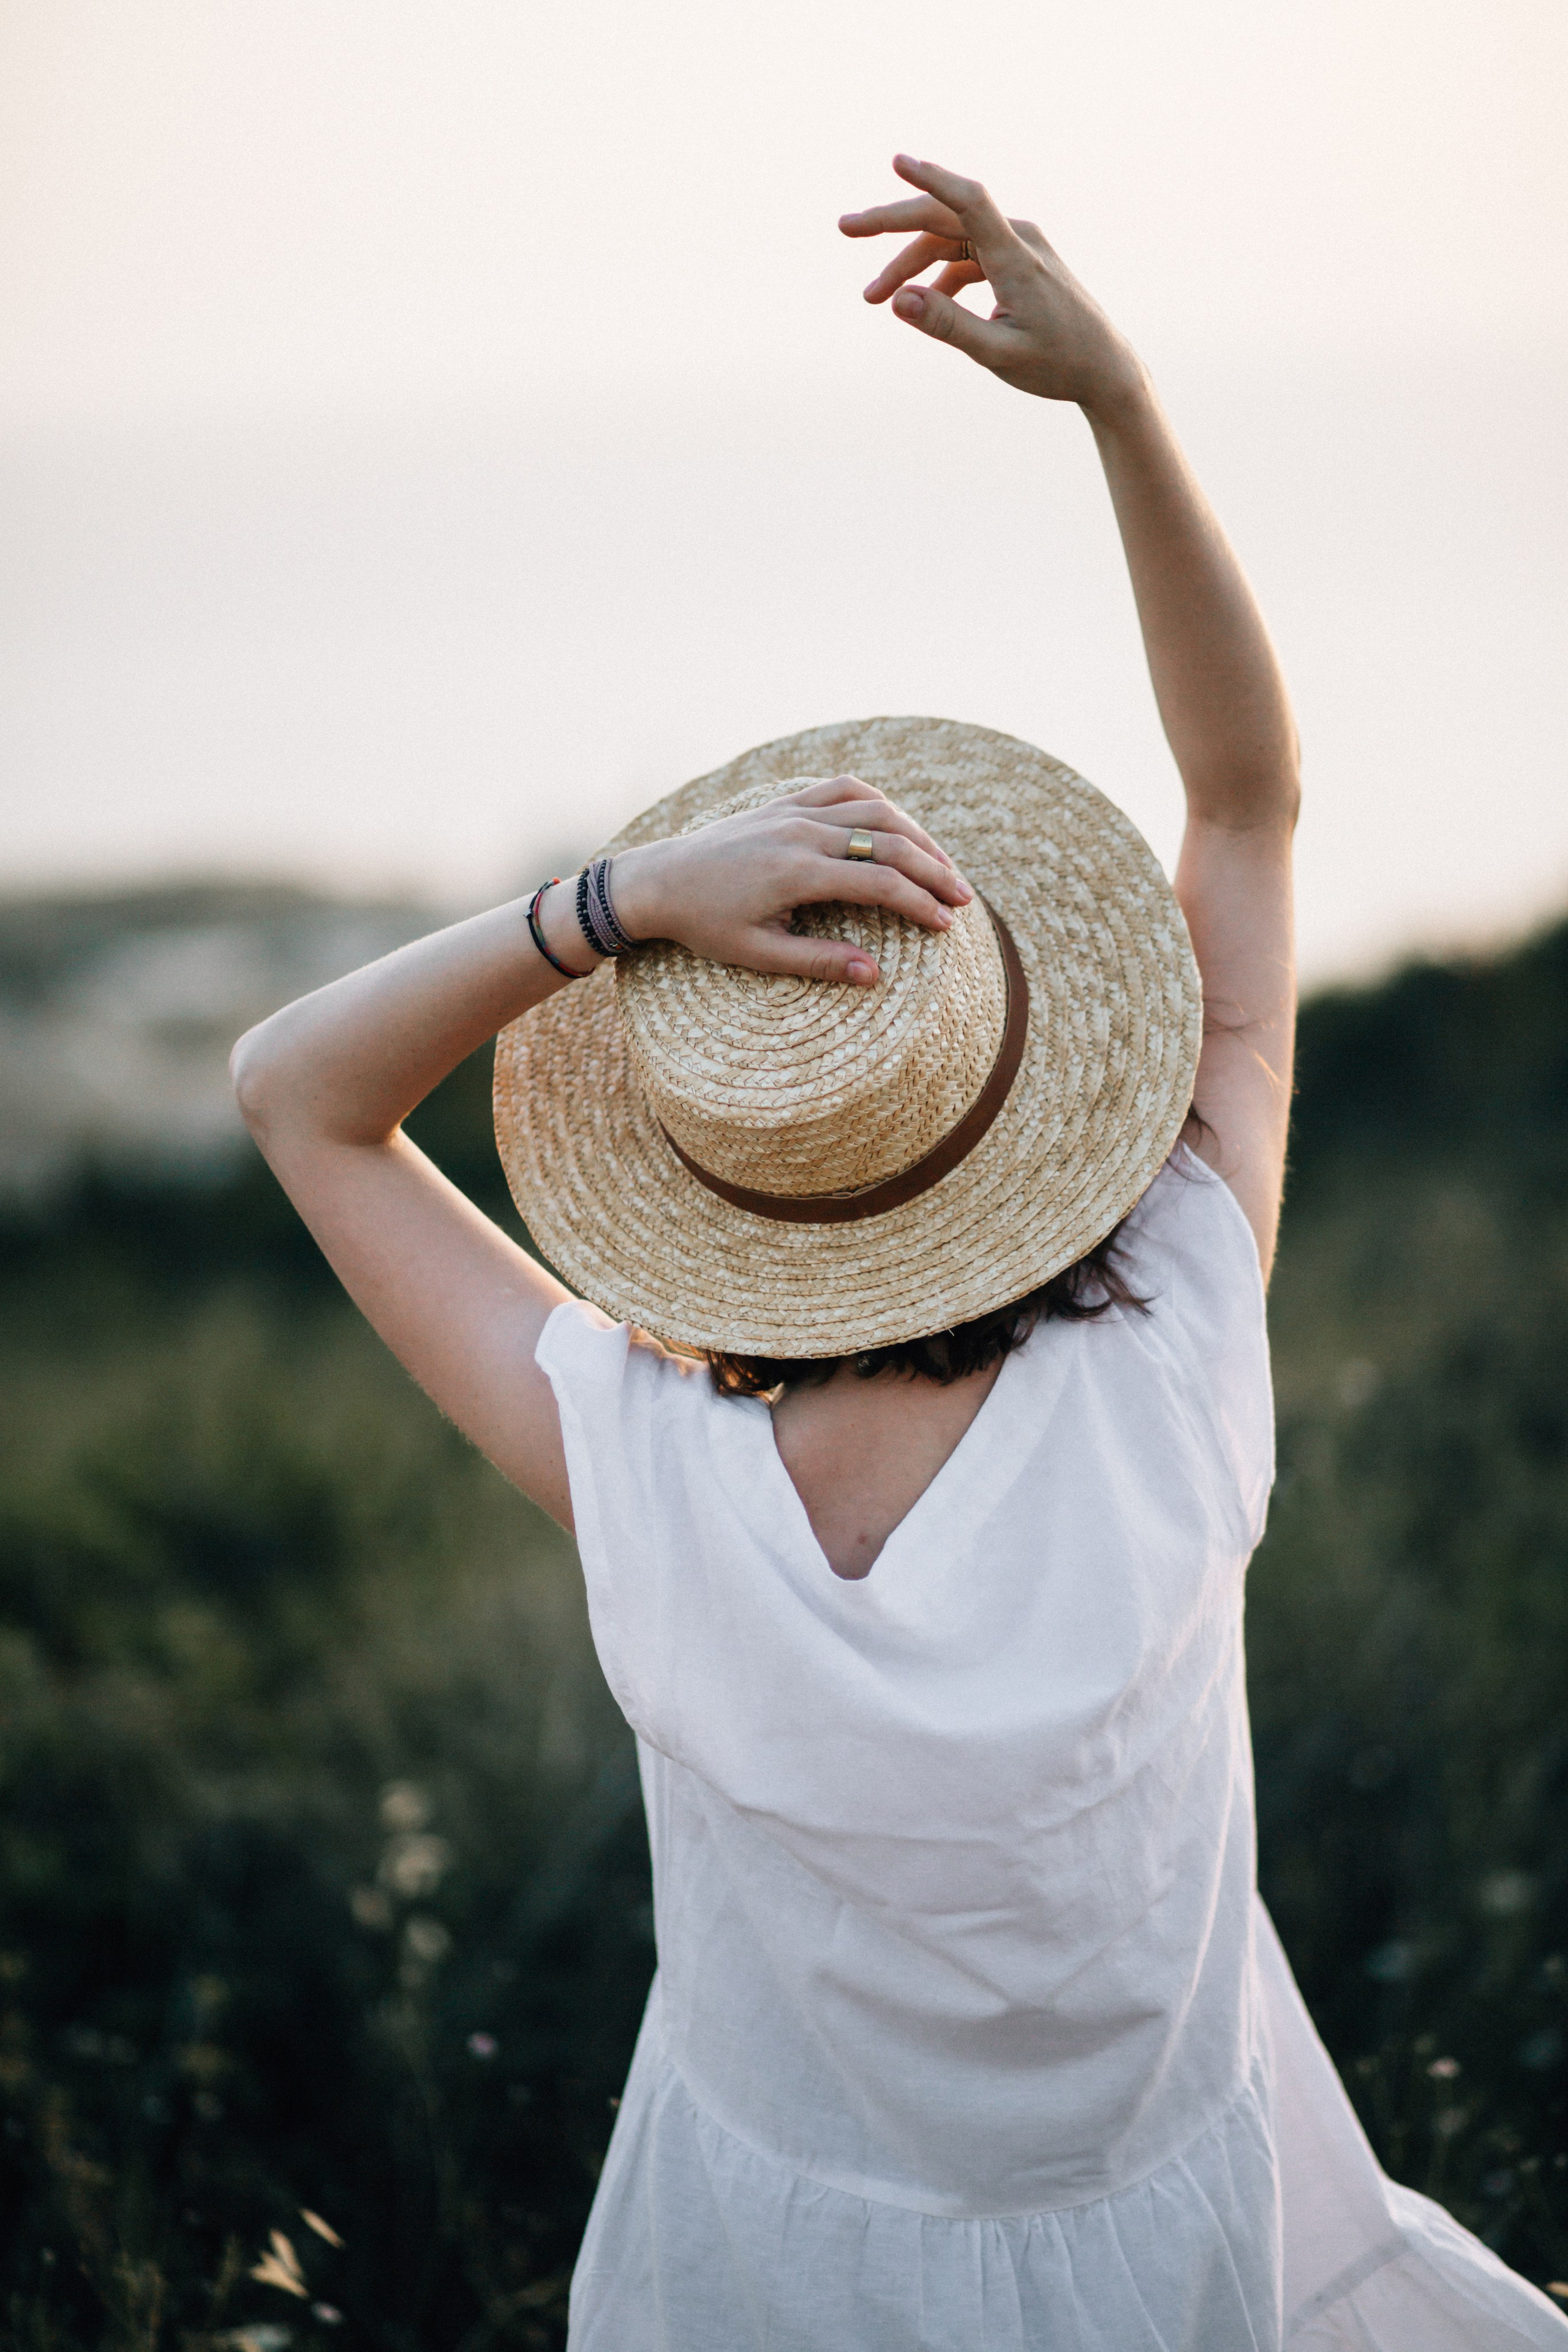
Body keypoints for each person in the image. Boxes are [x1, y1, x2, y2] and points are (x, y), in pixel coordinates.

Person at [232, 157, 1568, 2352]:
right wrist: (1120, 403)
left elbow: (298, 1087)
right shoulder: (1179, 1329)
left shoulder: (636, 1459)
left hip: (759, 2273)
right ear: (1026, 1106)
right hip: (1164, 2248)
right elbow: (1246, 808)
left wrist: (623, 904)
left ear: (710, 1179)